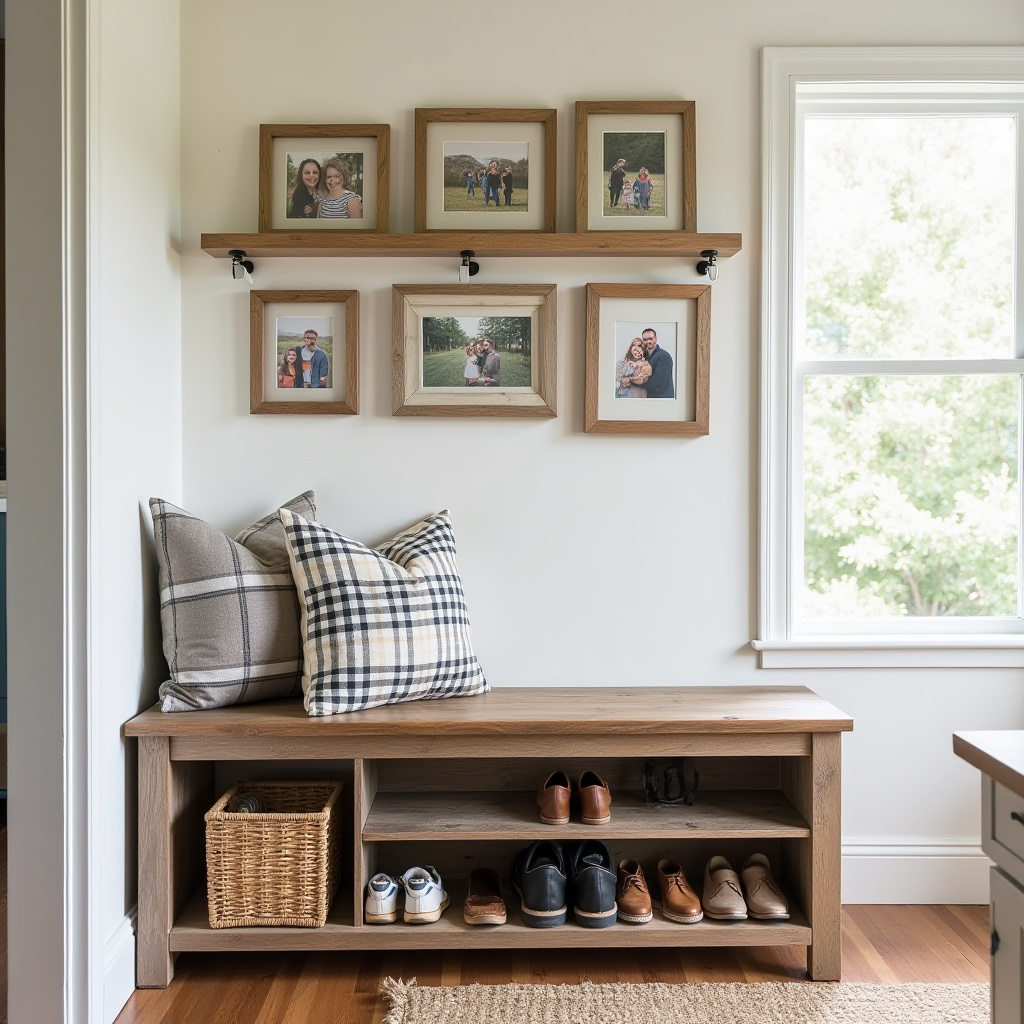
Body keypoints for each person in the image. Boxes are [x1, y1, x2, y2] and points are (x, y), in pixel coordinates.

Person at [640, 327, 674, 399]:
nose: (648, 342)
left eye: (650, 339)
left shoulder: (664, 356)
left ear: (655, 338)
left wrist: (636, 383)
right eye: (645, 340)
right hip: (649, 398)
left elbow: (657, 382)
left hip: (662, 398)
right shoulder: (644, 356)